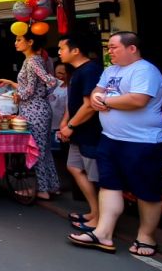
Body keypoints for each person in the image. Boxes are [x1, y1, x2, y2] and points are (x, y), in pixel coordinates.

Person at [70, 32, 162, 257]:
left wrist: (104, 101)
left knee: (146, 191)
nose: (109, 51)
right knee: (109, 185)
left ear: (131, 48)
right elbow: (97, 91)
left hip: (141, 142)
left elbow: (137, 100)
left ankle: (146, 236)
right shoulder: (111, 70)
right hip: (110, 138)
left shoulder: (145, 70)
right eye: (109, 47)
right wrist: (97, 97)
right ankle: (103, 232)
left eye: (114, 47)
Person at [0, 33, 60, 200]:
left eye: (19, 40)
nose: (15, 43)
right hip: (39, 108)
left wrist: (21, 96)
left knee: (36, 150)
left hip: (34, 110)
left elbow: (45, 83)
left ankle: (41, 190)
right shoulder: (34, 60)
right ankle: (52, 186)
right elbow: (32, 86)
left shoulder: (32, 61)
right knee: (44, 150)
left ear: (30, 42)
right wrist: (11, 83)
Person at [58, 35, 104, 233]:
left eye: (62, 48)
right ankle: (95, 211)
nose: (59, 52)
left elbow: (89, 106)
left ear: (75, 50)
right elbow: (74, 102)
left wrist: (71, 126)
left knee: (96, 177)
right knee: (74, 167)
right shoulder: (76, 71)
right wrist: (64, 121)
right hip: (77, 130)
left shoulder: (91, 71)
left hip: (90, 131)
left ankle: (101, 218)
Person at [49, 62, 73, 152]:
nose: (59, 76)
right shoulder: (52, 86)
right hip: (49, 124)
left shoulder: (70, 89)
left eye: (62, 73)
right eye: (57, 73)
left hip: (62, 126)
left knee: (62, 151)